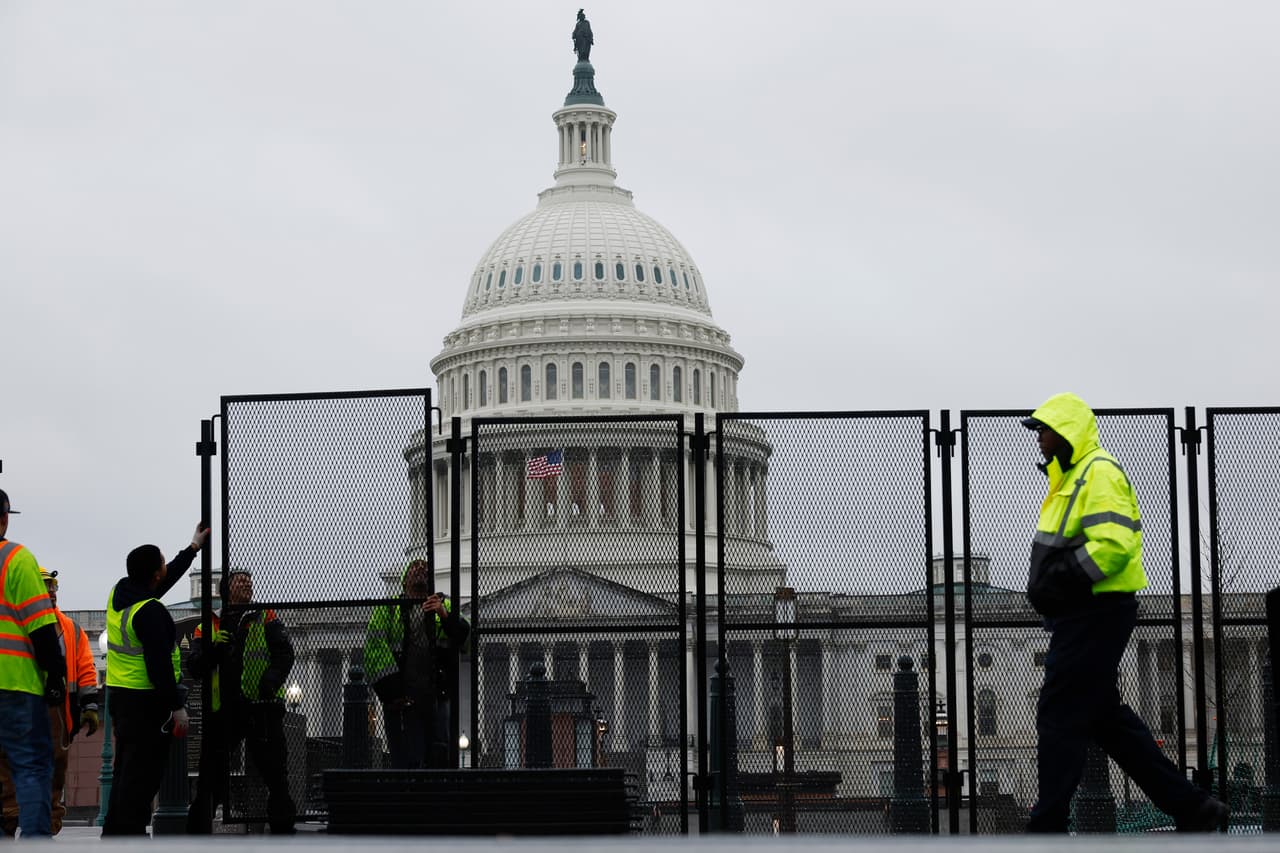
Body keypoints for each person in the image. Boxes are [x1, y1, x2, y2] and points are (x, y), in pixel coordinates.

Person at [1021, 393, 1228, 833]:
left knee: (1058, 712)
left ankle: (1047, 824)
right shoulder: (1074, 476)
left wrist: (1061, 581)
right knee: (1106, 720)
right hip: (1086, 613)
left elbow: (1114, 546)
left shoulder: (1096, 472)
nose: (1038, 438)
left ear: (1066, 432)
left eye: (1044, 429)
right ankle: (1193, 807)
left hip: (1093, 612)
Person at [101, 523, 209, 836]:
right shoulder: (152, 613)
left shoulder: (120, 594)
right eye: (163, 563)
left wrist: (192, 549)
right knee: (141, 781)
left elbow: (159, 583)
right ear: (155, 574)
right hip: (146, 705)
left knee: (124, 774)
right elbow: (159, 667)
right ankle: (130, 838)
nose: (165, 567)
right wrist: (176, 706)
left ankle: (114, 835)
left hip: (121, 700)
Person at [186, 569, 296, 835]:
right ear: (226, 590)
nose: (247, 583)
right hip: (224, 709)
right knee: (211, 772)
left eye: (249, 580)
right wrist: (214, 650)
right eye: (240, 580)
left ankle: (282, 824)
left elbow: (285, 653)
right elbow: (195, 666)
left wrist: (269, 682)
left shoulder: (266, 616)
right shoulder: (207, 625)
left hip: (262, 705)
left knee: (274, 771)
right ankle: (199, 827)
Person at [0, 568, 99, 836]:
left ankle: (47, 825)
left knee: (54, 767)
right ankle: (9, 818)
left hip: (56, 709)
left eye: (54, 587)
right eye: (46, 586)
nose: (52, 592)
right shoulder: (15, 624)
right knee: (8, 766)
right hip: (21, 703)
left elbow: (86, 668)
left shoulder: (70, 629)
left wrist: (89, 704)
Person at [0, 489, 65, 839]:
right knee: (31, 768)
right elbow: (41, 625)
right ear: (5, 517)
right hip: (15, 685)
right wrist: (55, 674)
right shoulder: (16, 558)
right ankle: (36, 843)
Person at [364, 560, 469, 768]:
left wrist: (444, 615)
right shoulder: (390, 608)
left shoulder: (445, 606)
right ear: (404, 581)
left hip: (437, 697)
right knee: (405, 761)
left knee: (439, 758)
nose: (421, 569)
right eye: (415, 567)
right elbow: (374, 650)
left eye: (425, 568)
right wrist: (393, 693)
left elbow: (467, 641)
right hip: (403, 698)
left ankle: (436, 800)